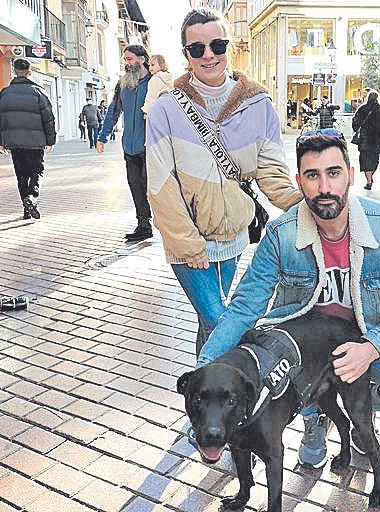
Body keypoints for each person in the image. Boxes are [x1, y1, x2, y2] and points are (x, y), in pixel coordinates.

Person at [197, 129, 380, 468]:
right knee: (279, 371)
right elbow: (246, 306)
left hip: (372, 334)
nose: (324, 187)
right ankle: (315, 412)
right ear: (299, 181)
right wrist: (207, 367)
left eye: (333, 173)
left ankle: (356, 412)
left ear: (351, 176)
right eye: (312, 175)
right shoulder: (281, 234)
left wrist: (371, 348)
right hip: (306, 347)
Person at [146, 7, 302, 357]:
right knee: (222, 322)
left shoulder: (258, 104)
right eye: (196, 48)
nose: (209, 55)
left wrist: (309, 207)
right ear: (185, 55)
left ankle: (207, 401)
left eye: (217, 44)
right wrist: (189, 245)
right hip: (189, 242)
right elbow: (160, 186)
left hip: (232, 236)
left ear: (228, 46)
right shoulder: (165, 110)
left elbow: (272, 173)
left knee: (210, 323)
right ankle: (221, 401)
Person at [97, 45, 153, 242]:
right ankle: (144, 224)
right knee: (135, 186)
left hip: (151, 147)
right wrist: (102, 137)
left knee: (151, 187)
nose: (126, 63)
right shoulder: (123, 84)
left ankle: (167, 224)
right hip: (129, 147)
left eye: (129, 59)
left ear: (142, 59)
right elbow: (114, 110)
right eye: (125, 60)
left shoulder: (156, 82)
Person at [0, 58, 56, 220]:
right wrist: (50, 141)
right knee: (37, 171)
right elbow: (49, 119)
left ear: (14, 71)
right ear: (30, 72)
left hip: (14, 142)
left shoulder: (4, 94)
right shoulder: (39, 92)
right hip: (36, 141)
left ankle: (26, 209)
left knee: (21, 175)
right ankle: (32, 197)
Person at [352, 90, 380, 190]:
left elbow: (355, 123)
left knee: (365, 161)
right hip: (378, 140)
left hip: (364, 139)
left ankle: (369, 180)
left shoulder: (362, 109)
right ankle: (371, 176)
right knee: (375, 160)